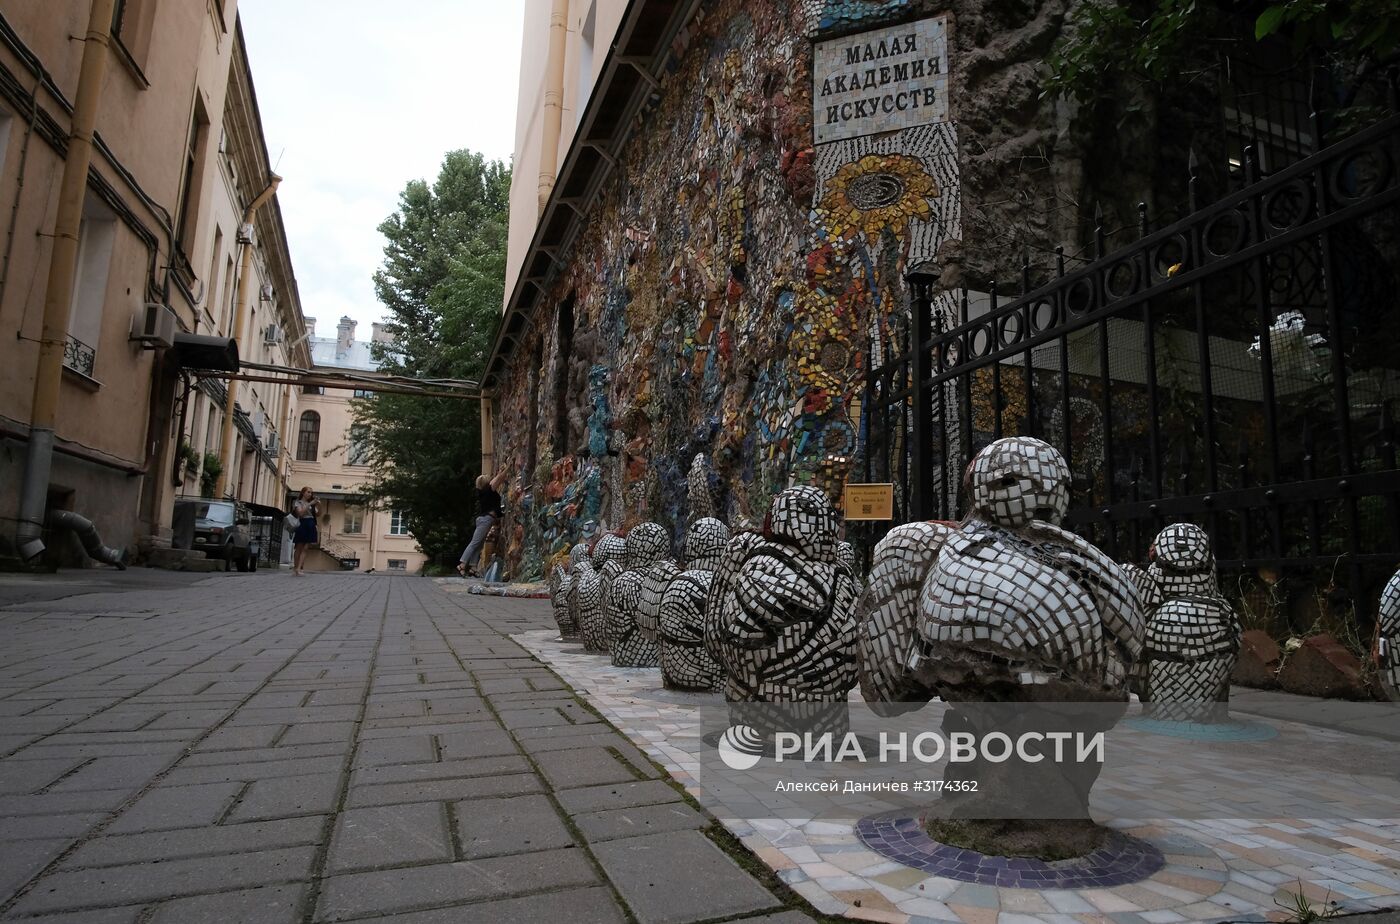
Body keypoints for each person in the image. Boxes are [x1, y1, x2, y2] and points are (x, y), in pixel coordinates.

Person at [458, 470, 507, 577]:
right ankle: (462, 564)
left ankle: (473, 567)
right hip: (486, 519)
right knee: (475, 543)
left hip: (485, 519)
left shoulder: (483, 491)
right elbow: (499, 478)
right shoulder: (489, 490)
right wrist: (507, 468)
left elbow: (497, 478)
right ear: (486, 483)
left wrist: (502, 470)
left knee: (479, 544)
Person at [291, 487, 320, 576]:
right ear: (303, 492)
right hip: (303, 523)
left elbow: (318, 514)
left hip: (311, 524)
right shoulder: (298, 502)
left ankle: (299, 568)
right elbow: (300, 513)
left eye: (311, 492)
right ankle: (296, 567)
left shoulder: (311, 504)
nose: (310, 494)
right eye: (308, 492)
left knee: (305, 548)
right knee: (299, 547)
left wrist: (319, 505)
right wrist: (310, 503)